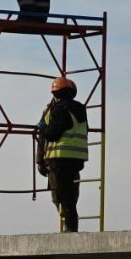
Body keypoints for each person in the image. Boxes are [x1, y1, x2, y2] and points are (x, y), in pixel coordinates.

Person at [35, 77, 88, 232]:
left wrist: (42, 126)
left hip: (59, 158)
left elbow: (51, 135)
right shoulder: (80, 109)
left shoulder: (58, 110)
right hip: (76, 158)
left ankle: (71, 228)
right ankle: (71, 226)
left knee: (62, 195)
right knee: (70, 194)